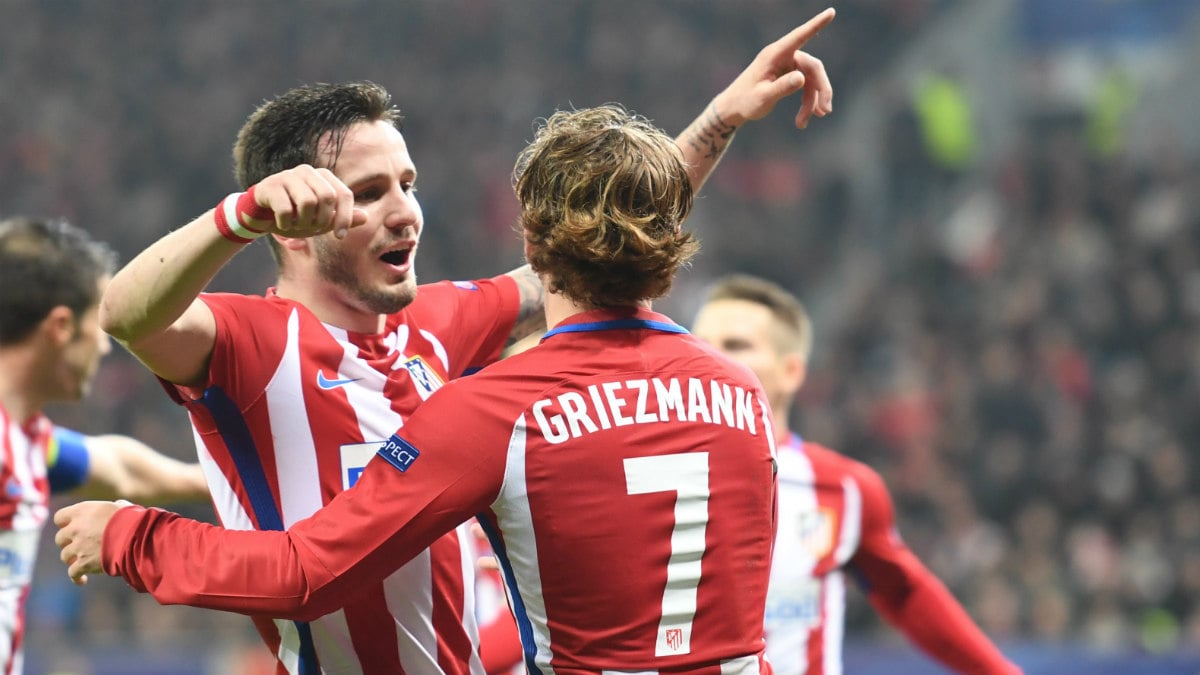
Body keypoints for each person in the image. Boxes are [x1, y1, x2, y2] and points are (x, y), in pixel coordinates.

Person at [75, 9, 836, 674]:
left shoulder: (442, 323)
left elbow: (594, 239)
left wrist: (719, 122)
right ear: (295, 221)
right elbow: (124, 314)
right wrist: (235, 217)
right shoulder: (248, 339)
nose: (407, 211)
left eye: (408, 183)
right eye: (370, 193)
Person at [690, 274, 1022, 675]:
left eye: (736, 345)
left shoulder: (844, 490)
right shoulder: (650, 471)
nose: (710, 357)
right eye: (700, 343)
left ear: (792, 371)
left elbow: (905, 594)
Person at [0, 216, 211, 675]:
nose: (104, 346)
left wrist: (219, 484)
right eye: (97, 323)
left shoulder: (29, 442)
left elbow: (119, 468)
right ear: (60, 327)